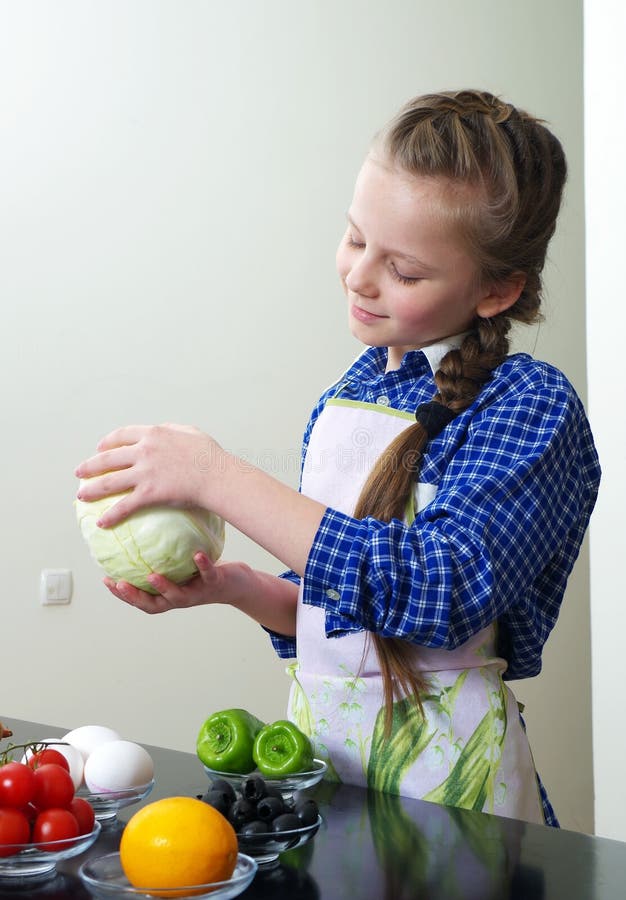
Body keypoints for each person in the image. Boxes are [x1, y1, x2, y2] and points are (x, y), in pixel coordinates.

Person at [75, 89, 601, 826]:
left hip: (452, 800)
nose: (358, 276)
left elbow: (438, 593)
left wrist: (219, 477)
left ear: (497, 290)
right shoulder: (348, 393)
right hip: (330, 779)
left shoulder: (529, 405)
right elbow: (338, 615)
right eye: (356, 239)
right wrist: (237, 586)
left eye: (405, 271)